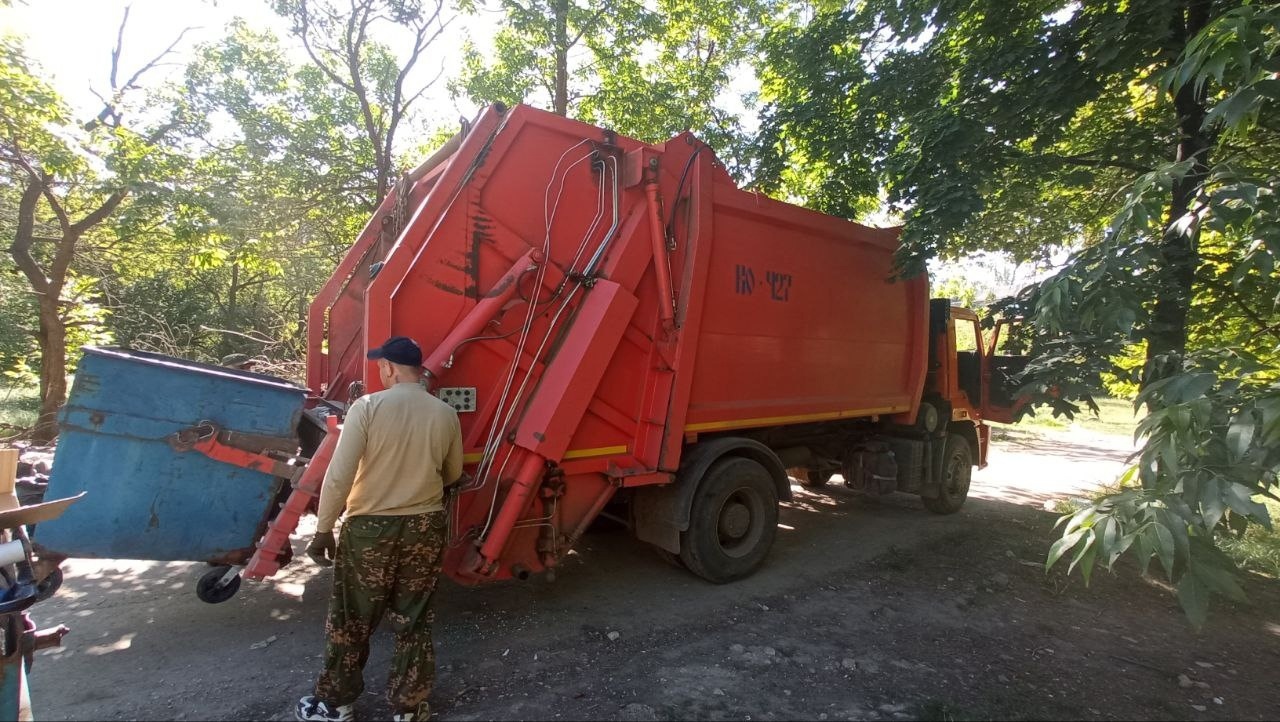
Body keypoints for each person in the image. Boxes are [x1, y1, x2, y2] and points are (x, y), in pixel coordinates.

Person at [296, 336, 464, 722]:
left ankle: (336, 705)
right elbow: (452, 473)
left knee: (352, 617)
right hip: (425, 526)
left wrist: (323, 530)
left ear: (388, 367)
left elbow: (340, 475)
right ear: (418, 369)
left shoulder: (367, 407)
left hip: (370, 530)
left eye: (379, 366)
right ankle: (409, 708)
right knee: (414, 619)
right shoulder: (444, 413)